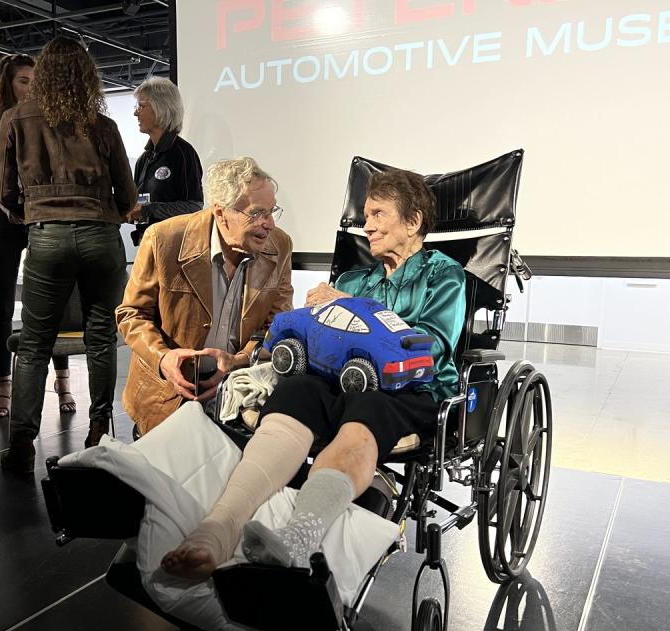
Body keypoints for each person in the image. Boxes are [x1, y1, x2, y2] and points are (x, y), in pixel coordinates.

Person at [161, 170, 467, 582]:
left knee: (368, 407)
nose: (366, 225)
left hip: (408, 389)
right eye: (365, 215)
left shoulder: (444, 276)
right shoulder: (356, 277)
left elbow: (430, 345)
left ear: (412, 223)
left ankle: (298, 538)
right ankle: (218, 527)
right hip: (337, 380)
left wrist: (350, 306)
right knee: (298, 391)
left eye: (378, 214)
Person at [0, 37, 137, 474]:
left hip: (47, 237)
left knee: (34, 343)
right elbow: (128, 195)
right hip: (100, 237)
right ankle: (97, 431)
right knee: (100, 340)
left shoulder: (16, 119)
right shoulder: (103, 125)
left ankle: (21, 443)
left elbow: (3, 191)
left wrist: (32, 215)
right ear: (87, 76)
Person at [116, 156, 293, 436]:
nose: (269, 224)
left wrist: (239, 360)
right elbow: (131, 315)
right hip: (166, 398)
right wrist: (164, 359)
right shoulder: (163, 240)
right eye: (257, 213)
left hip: (238, 398)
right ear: (221, 213)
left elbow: (280, 325)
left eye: (272, 211)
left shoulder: (279, 246)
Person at [0, 53, 77, 418]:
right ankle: (5, 386)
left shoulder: (48, 125)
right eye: (23, 81)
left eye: (35, 81)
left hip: (42, 221)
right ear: (8, 84)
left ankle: (62, 380)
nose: (30, 88)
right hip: (6, 221)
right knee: (0, 306)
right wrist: (12, 209)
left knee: (50, 303)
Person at [127, 76, 203, 245]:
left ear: (160, 107)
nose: (135, 112)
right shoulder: (144, 159)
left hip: (175, 249)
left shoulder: (183, 153)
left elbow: (194, 206)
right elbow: (139, 202)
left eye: (141, 105)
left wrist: (148, 210)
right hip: (147, 244)